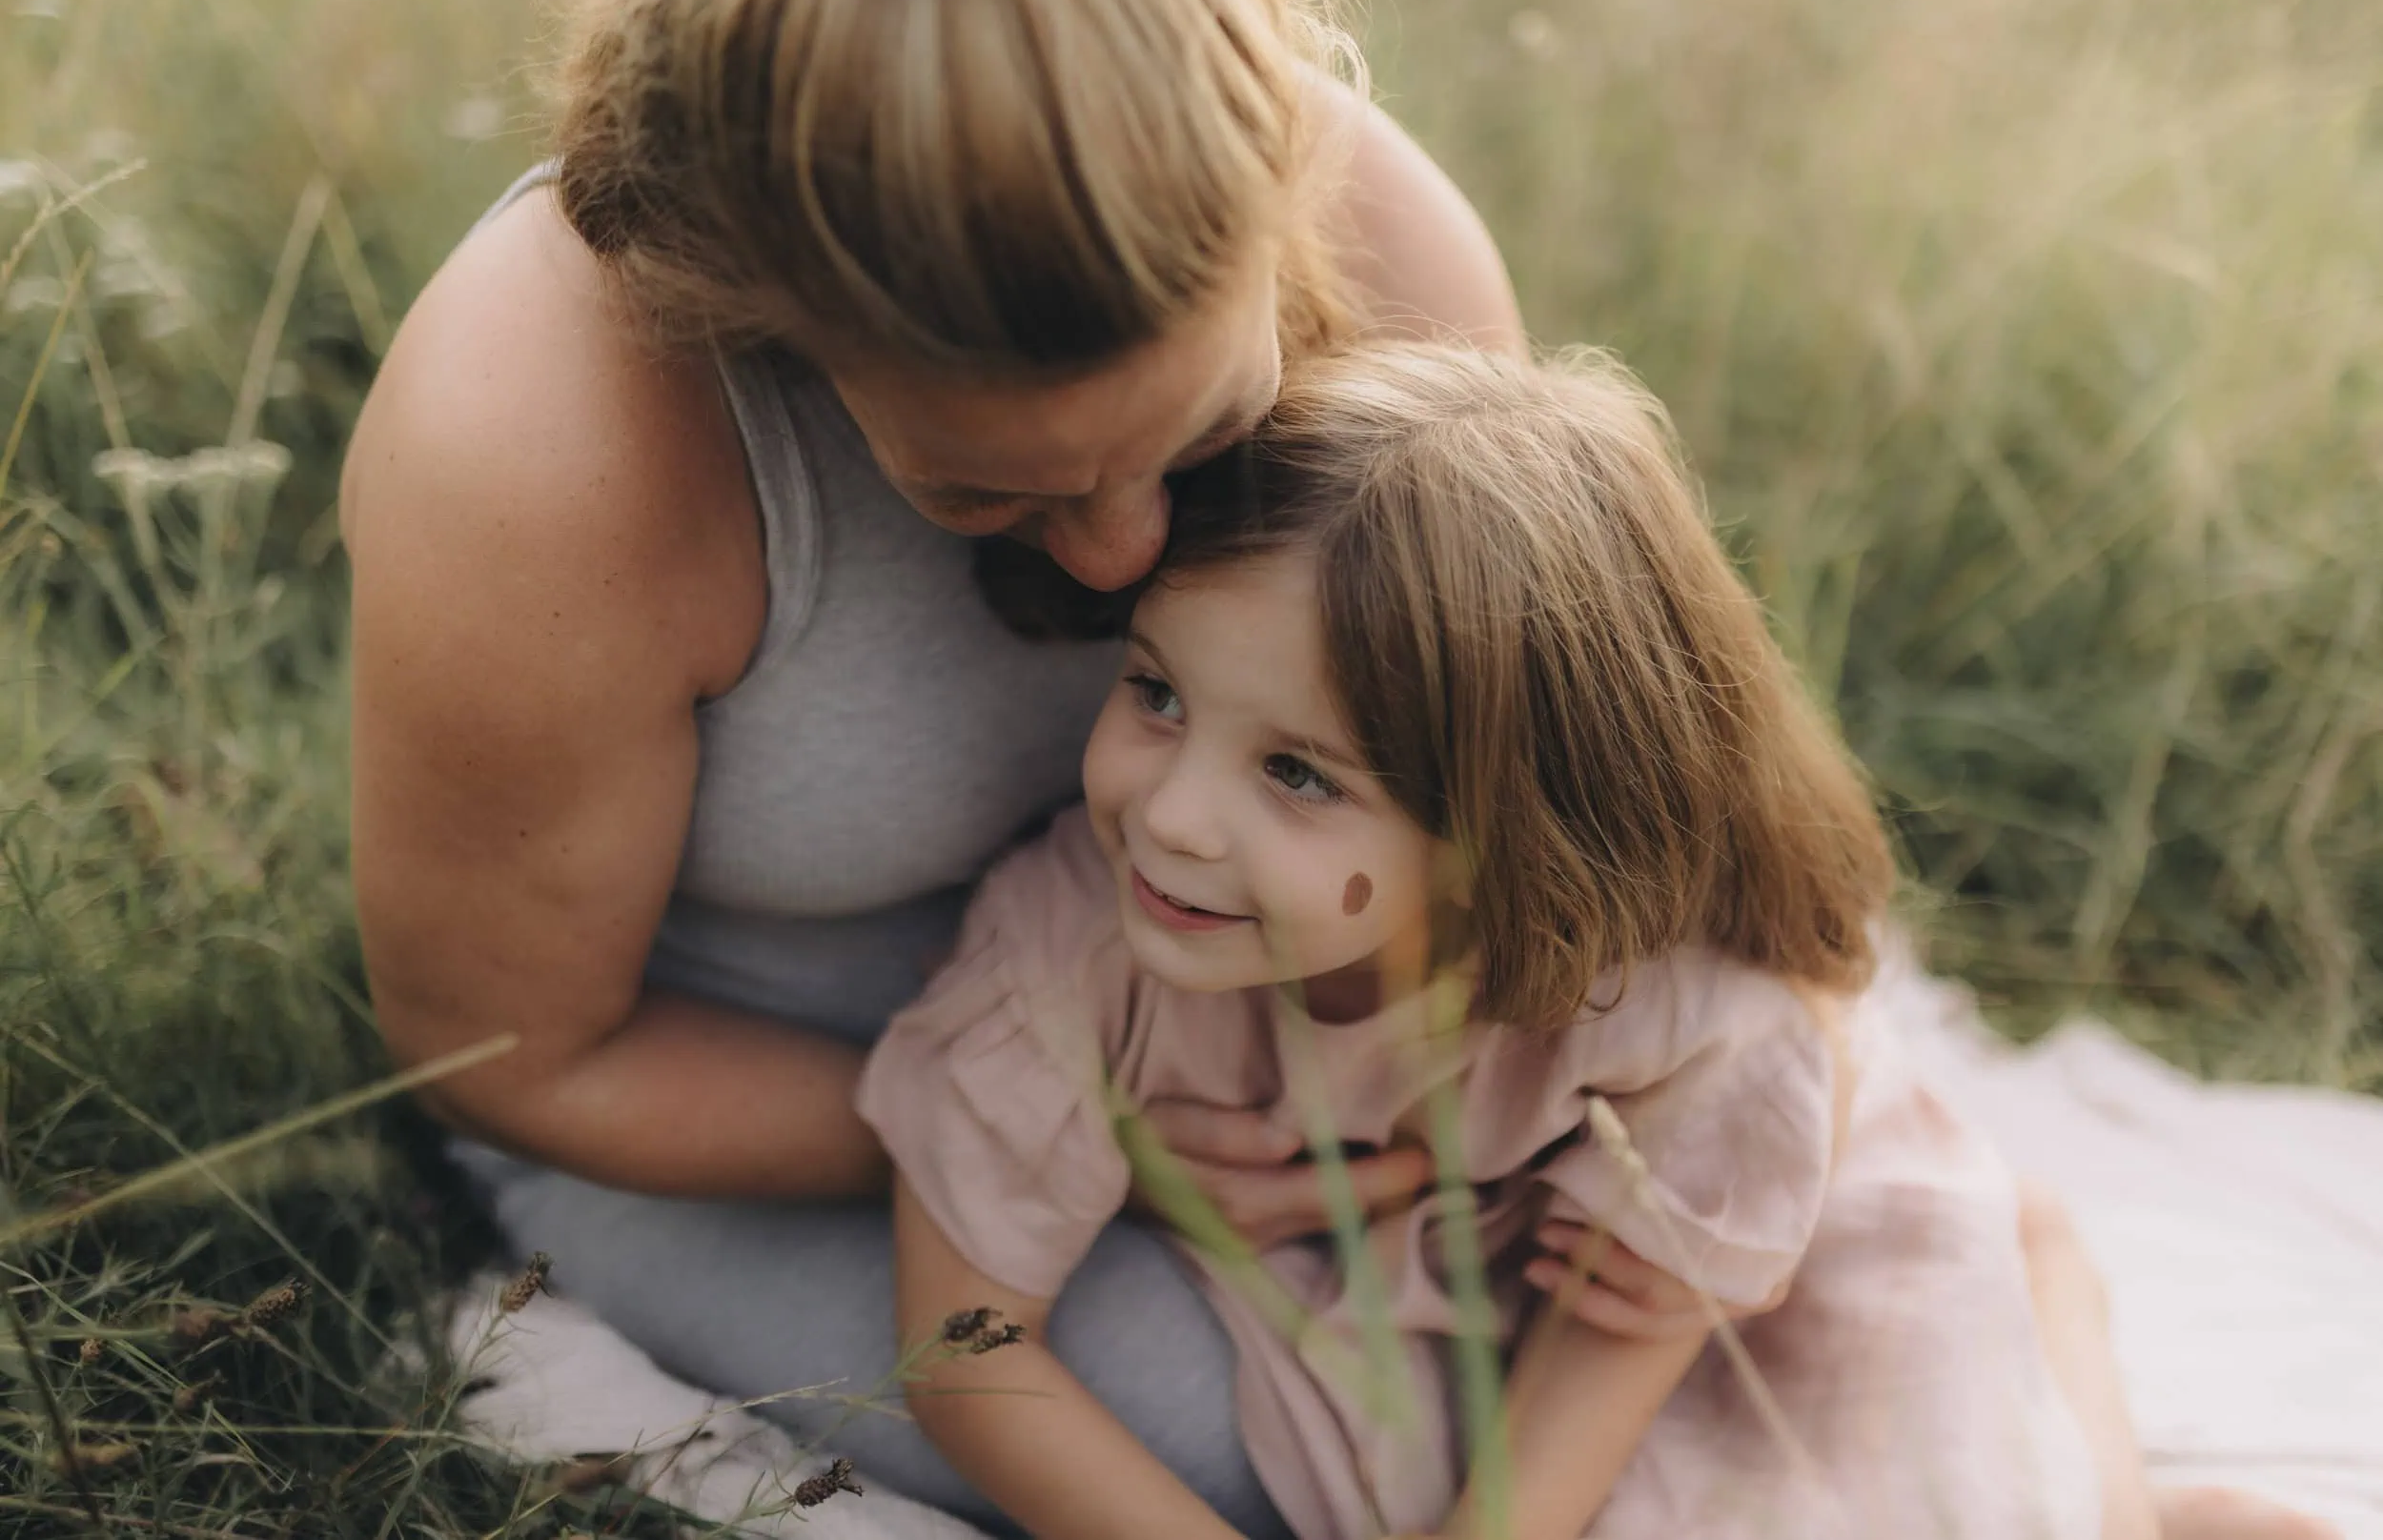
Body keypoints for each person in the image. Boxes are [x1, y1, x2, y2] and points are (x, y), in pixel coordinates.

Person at [338, 0, 2324, 1535]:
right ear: (769, 321)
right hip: (771, 1107)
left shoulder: (1378, 226)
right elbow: (516, 1052)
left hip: (1346, 1038)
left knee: (1794, 1267)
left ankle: (2084, 1480)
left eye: (1200, 439)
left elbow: (1520, 769)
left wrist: (1435, 1112)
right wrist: (1085, 1135)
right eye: (979, 494)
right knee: (1272, 1454)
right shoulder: (546, 448)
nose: (1122, 559)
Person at [858, 344, 2334, 1540]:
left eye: (1299, 773)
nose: (1170, 815)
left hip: (1648, 1329)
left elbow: (1614, 1367)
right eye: (1158, 693)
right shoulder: (1073, 934)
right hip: (1427, 1312)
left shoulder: (1674, 1001)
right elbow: (968, 1348)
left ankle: (2116, 1466)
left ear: (1512, 824)